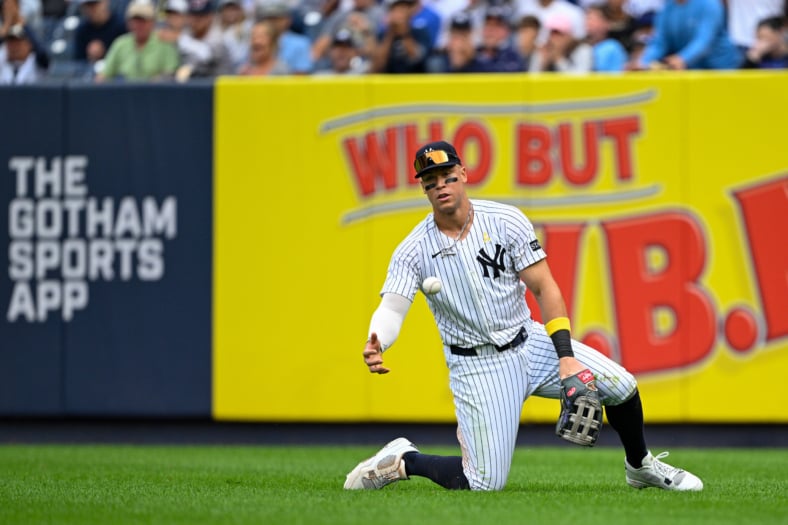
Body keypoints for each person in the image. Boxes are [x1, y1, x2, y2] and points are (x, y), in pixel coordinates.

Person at [343, 140, 705, 492]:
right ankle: (405, 459)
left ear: (464, 174)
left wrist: (566, 359)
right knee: (483, 483)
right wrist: (379, 340)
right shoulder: (414, 249)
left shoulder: (505, 221)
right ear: (423, 189)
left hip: (529, 342)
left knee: (623, 386)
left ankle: (640, 466)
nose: (441, 187)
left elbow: (546, 288)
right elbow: (392, 306)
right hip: (477, 367)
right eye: (431, 182)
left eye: (448, 176)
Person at [635, 0, 742, 70]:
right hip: (692, 71)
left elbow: (704, 40)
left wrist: (682, 58)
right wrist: (643, 63)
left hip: (721, 70)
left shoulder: (710, 4)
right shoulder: (667, 8)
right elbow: (660, 42)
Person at [95, 0, 179, 81]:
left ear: (152, 22)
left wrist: (159, 79)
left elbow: (171, 74)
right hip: (126, 93)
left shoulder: (164, 42)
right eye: (135, 20)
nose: (139, 25)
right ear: (128, 22)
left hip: (156, 93)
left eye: (143, 20)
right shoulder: (120, 43)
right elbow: (104, 75)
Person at [371, 0, 432, 73]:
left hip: (415, 78)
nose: (400, 13)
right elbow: (379, 65)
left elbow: (416, 58)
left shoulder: (419, 31)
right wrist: (390, 34)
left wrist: (404, 33)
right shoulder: (383, 34)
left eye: (404, 8)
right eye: (397, 9)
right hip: (389, 78)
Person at [255, 0, 313, 74]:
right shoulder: (256, 40)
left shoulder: (300, 43)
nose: (271, 22)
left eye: (276, 18)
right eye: (268, 18)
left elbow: (301, 76)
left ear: (287, 20)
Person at [72, 0, 126, 65]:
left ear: (105, 2)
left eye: (94, 4)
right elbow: (78, 62)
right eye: (86, 5)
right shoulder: (81, 30)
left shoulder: (121, 25)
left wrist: (105, 52)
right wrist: (90, 58)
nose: (90, 9)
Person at [475, 3, 526, 72]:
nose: (491, 30)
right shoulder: (472, 54)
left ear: (506, 31)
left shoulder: (513, 57)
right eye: (488, 25)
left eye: (496, 26)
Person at [585, 3, 627, 72]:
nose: (589, 22)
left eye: (594, 19)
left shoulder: (613, 47)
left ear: (607, 23)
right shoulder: (580, 46)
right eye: (588, 18)